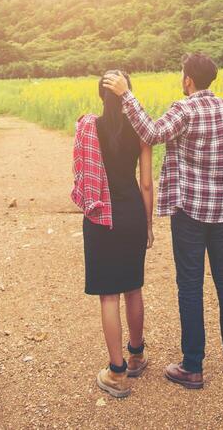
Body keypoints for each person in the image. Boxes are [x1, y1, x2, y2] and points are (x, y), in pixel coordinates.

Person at [103, 52, 223, 389]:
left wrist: (126, 94)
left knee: (191, 287)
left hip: (191, 214)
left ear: (188, 80)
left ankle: (192, 366)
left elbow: (151, 134)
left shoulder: (184, 110)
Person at [72, 71, 154, 399]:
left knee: (109, 295)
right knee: (133, 287)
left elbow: (81, 172)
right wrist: (148, 225)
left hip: (101, 217)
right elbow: (147, 183)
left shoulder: (88, 127)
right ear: (128, 93)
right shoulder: (141, 129)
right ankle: (136, 355)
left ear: (100, 95)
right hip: (132, 212)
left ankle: (117, 373)